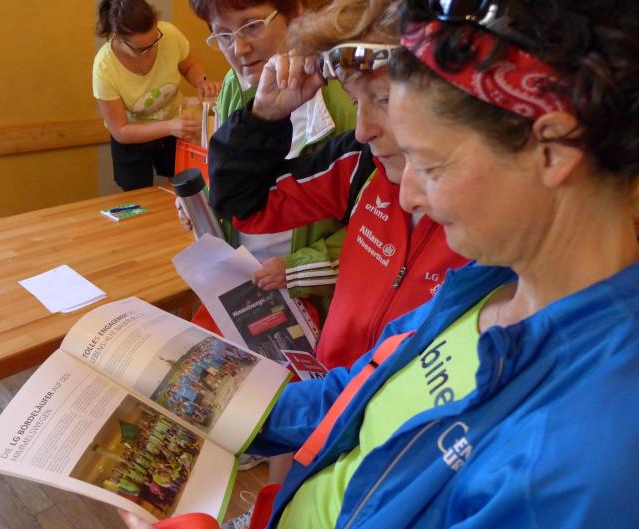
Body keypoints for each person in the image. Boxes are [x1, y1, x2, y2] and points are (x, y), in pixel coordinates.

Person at [124, 0, 639, 529]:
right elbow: (361, 395)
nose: (408, 194)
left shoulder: (590, 457)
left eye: (430, 165)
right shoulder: (484, 287)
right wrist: (202, 407)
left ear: (553, 150)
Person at [207, 0, 468, 370]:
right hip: (330, 385)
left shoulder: (490, 219)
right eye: (355, 101)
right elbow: (243, 205)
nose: (363, 130)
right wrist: (265, 116)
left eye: (384, 100)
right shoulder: (360, 162)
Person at [186, 0, 357, 322]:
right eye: (223, 35)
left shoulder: (346, 97)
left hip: (318, 300)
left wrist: (299, 267)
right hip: (248, 283)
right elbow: (238, 180)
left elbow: (375, 223)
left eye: (252, 26)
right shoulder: (235, 86)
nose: (239, 48)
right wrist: (204, 205)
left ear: (295, 16)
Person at [93, 0, 221, 191]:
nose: (151, 50)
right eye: (141, 48)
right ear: (117, 38)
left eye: (155, 40)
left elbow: (189, 65)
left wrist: (201, 82)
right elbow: (121, 131)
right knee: (137, 193)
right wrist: (169, 127)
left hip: (174, 125)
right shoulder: (104, 68)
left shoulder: (169, 34)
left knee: (185, 185)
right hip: (134, 136)